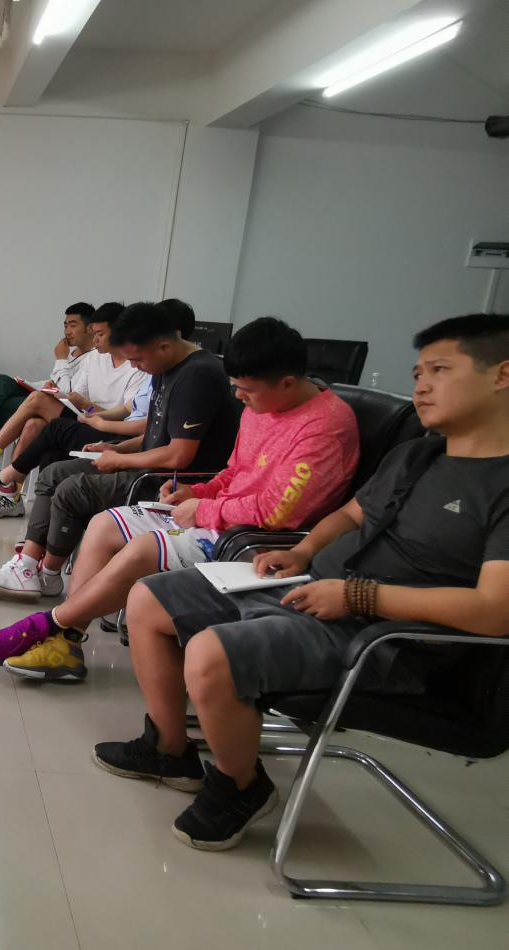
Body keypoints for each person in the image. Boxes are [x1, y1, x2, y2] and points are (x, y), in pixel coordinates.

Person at [94, 313, 509, 852]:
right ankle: (169, 751)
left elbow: (494, 611)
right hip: (318, 589)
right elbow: (353, 514)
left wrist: (359, 596)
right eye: (418, 372)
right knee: (149, 599)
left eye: (440, 370)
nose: (421, 386)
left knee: (210, 653)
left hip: (386, 638)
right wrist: (304, 550)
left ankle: (240, 786)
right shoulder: (419, 455)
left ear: (502, 375)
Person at [0, 317, 360, 682]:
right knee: (103, 524)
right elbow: (233, 472)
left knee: (143, 549)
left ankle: (53, 626)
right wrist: (196, 492)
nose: (239, 398)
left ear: (288, 383)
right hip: (220, 517)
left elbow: (276, 513)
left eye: (247, 390)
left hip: (254, 540)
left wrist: (204, 508)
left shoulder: (323, 427)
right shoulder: (263, 404)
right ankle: (67, 642)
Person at [0, 302, 239, 601]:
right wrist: (114, 447)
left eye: (137, 359)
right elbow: (154, 433)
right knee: (52, 473)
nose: (134, 367)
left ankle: (47, 574)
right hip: (146, 466)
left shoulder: (197, 376)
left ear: (163, 345)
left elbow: (179, 455)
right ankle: (29, 566)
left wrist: (120, 459)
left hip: (168, 482)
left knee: (73, 490)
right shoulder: (165, 366)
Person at [0, 304, 149, 514]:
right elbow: (76, 393)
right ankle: (11, 497)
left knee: (36, 400)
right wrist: (62, 395)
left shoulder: (137, 367)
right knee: (33, 424)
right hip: (87, 418)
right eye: (94, 334)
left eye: (100, 334)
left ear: (119, 332)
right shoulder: (95, 357)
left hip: (108, 428)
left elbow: (126, 415)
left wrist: (88, 407)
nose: (95, 340)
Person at [0, 302, 105, 451]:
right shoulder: (70, 353)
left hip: (60, 410)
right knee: (0, 380)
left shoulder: (94, 357)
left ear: (90, 328)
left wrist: (60, 359)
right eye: (65, 326)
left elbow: (70, 394)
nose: (67, 331)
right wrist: (35, 384)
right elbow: (55, 382)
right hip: (44, 397)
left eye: (73, 325)